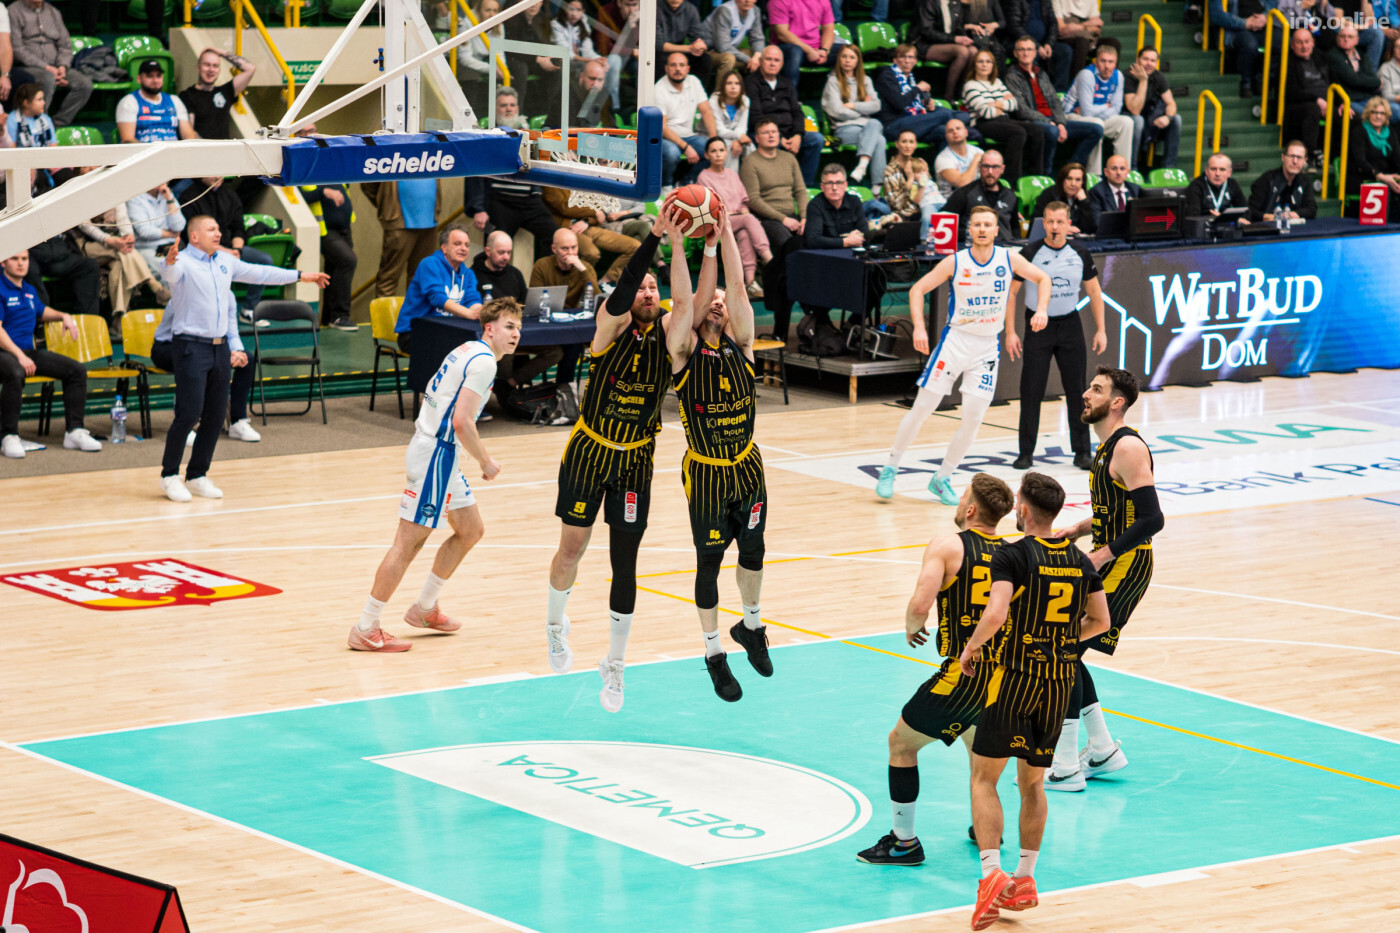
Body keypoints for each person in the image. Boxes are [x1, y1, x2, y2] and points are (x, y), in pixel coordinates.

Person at [958, 471, 1111, 928]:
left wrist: (972, 647)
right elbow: (1101, 621)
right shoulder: (1080, 560)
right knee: (1033, 784)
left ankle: (991, 874)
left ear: (1022, 509)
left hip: (1017, 679)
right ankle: (1024, 878)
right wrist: (1060, 642)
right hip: (1059, 683)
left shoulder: (1013, 554)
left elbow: (996, 612)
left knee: (984, 778)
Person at [543, 217, 676, 714]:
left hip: (636, 458)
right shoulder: (610, 324)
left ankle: (615, 663)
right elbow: (621, 293)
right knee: (572, 549)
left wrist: (698, 244)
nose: (647, 292)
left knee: (626, 563)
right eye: (640, 286)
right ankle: (555, 625)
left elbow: (689, 302)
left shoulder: (669, 333)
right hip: (590, 450)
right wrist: (655, 235)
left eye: (653, 287)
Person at [853, 473, 1015, 867]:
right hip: (1005, 678)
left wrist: (912, 627)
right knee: (979, 757)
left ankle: (903, 842)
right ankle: (986, 828)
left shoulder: (948, 545)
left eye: (962, 497)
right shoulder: (1015, 554)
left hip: (963, 673)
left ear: (971, 510)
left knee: (901, 744)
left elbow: (920, 606)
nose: (958, 503)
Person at [349, 297, 522, 652]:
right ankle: (366, 626)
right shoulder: (484, 362)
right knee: (407, 544)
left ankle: (425, 608)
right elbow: (462, 422)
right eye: (509, 326)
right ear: (489, 328)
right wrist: (485, 461)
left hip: (441, 454)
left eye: (519, 327)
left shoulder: (467, 349)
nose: (516, 333)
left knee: (471, 530)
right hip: (435, 455)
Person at [663, 211, 773, 701]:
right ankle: (713, 653)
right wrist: (686, 245)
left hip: (747, 467)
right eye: (713, 301)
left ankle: (751, 626)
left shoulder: (742, 346)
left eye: (724, 303)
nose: (718, 304)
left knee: (754, 551)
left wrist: (725, 229)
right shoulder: (684, 351)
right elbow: (685, 301)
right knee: (709, 563)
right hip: (706, 472)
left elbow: (739, 287)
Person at [875, 206, 1050, 505]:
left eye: (987, 225)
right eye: (977, 224)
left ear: (996, 230)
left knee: (973, 418)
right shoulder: (955, 261)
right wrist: (919, 328)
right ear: (969, 229)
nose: (982, 229)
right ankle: (890, 467)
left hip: (987, 348)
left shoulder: (1009, 258)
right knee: (922, 408)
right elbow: (917, 290)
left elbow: (1043, 278)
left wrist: (1042, 309)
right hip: (955, 343)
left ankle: (942, 478)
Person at [1044, 367, 1163, 790]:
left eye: (1096, 389)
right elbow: (1118, 511)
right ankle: (1102, 750)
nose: (1085, 393)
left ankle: (1065, 767)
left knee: (1062, 651)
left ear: (1117, 402)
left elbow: (1152, 519)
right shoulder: (1106, 446)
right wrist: (1080, 529)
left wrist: (1100, 553)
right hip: (1111, 561)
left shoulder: (1127, 447)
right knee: (1067, 650)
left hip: (1126, 565)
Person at [156, 216, 328, 503]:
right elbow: (170, 274)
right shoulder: (183, 261)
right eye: (211, 229)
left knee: (214, 415)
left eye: (218, 228)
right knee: (189, 413)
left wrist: (301, 276)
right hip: (190, 346)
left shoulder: (225, 261)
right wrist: (169, 261)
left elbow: (261, 273)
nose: (218, 233)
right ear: (194, 236)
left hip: (220, 347)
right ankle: (169, 475)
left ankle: (197, 475)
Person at [1007, 201, 1105, 471]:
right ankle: (1025, 453)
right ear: (1043, 223)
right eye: (1049, 221)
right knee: (1031, 389)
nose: (1054, 227)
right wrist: (1011, 332)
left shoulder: (1080, 252)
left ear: (1068, 224)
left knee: (1078, 390)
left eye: (1060, 222)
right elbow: (1012, 293)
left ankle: (1082, 452)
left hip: (1070, 325)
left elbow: (1094, 292)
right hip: (1038, 326)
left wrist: (1101, 329)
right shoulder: (1030, 252)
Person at [0, 249, 100, 458]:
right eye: (15, 259)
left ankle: (74, 432)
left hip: (27, 352)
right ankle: (8, 435)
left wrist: (63, 315)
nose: (21, 263)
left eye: (24, 259)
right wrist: (19, 355)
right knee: (16, 372)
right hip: (5, 352)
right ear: (3, 263)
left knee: (76, 370)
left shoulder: (28, 290)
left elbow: (41, 311)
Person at [740, 118, 807, 339]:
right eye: (766, 132)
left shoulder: (789, 158)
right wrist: (782, 218)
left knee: (812, 239)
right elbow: (753, 199)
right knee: (789, 244)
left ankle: (792, 287)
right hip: (766, 219)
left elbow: (801, 191)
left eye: (774, 131)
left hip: (794, 217)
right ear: (757, 138)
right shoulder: (750, 162)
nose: (771, 135)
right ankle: (790, 288)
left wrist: (805, 217)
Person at [1005, 34, 1102, 172]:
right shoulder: (1012, 76)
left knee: (1096, 130)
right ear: (1015, 53)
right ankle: (1046, 173)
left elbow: (1055, 101)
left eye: (1029, 49)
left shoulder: (1041, 74)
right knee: (1052, 131)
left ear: (1035, 53)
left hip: (1053, 121)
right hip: (1033, 121)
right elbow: (1021, 109)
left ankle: (1070, 168)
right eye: (1022, 49)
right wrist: (1049, 122)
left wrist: (1060, 123)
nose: (1026, 53)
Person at [180, 176, 276, 315]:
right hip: (204, 251)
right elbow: (193, 237)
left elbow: (238, 227)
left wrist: (237, 250)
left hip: (232, 247)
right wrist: (226, 252)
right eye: (213, 173)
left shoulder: (230, 194)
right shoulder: (189, 196)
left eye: (221, 173)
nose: (218, 177)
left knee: (264, 260)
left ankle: (249, 309)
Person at [698, 135, 772, 297]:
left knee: (745, 233)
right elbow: (709, 208)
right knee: (749, 219)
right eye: (713, 151)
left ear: (726, 153)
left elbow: (743, 202)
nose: (718, 154)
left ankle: (750, 282)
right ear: (707, 155)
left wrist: (743, 211)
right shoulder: (703, 177)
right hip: (718, 221)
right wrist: (738, 214)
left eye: (721, 150)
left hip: (738, 220)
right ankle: (769, 258)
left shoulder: (732, 174)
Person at [394, 224, 483, 354]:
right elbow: (437, 298)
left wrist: (478, 311)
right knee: (455, 348)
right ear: (444, 247)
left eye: (467, 245)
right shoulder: (429, 264)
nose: (463, 248)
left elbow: (472, 299)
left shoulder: (468, 274)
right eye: (457, 244)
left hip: (448, 330)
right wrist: (468, 313)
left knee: (481, 344)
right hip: (414, 332)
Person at [745, 45, 826, 185]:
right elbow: (755, 117)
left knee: (816, 139)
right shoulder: (751, 82)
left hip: (789, 132)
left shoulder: (786, 83)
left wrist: (798, 136)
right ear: (761, 61)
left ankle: (805, 185)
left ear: (782, 64)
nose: (772, 63)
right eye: (768, 59)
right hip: (763, 133)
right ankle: (775, 186)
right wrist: (779, 138)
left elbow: (797, 112)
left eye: (776, 60)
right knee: (771, 141)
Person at [7, 0, 91, 127]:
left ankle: (58, 123)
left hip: (57, 66)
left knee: (84, 84)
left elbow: (65, 45)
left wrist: (62, 66)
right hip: (28, 67)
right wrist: (46, 67)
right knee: (47, 78)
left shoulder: (54, 12)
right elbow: (17, 49)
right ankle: (39, 123)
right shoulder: (13, 11)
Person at [874, 44, 973, 150]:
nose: (907, 61)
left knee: (948, 126)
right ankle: (965, 129)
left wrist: (927, 104)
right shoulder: (887, 76)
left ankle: (948, 161)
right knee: (946, 116)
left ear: (915, 61)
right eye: (903, 57)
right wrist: (918, 88)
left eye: (910, 57)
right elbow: (899, 103)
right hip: (894, 126)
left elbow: (915, 102)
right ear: (895, 60)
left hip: (917, 123)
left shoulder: (910, 78)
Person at [961, 49, 1036, 184]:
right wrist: (1002, 104)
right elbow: (986, 112)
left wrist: (995, 104)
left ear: (993, 65)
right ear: (974, 65)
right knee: (1018, 132)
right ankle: (1011, 182)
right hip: (982, 123)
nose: (984, 65)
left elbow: (1014, 104)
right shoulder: (970, 85)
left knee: (1037, 131)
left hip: (1003, 119)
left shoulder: (997, 82)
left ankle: (1035, 178)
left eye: (988, 61)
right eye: (980, 61)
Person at [541, 186, 641, 287]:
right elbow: (565, 208)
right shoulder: (551, 185)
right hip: (570, 229)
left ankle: (605, 282)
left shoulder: (583, 184)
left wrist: (587, 221)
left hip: (590, 226)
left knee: (635, 246)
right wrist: (595, 211)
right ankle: (580, 285)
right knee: (592, 253)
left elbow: (599, 215)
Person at [299, 159, 357, 331]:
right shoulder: (304, 170)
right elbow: (300, 198)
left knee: (334, 270)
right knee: (347, 260)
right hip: (324, 231)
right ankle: (340, 315)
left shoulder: (334, 169)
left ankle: (329, 318)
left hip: (344, 229)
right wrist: (324, 192)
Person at [365, 177, 440, 299]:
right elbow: (368, 181)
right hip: (398, 222)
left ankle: (416, 312)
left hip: (430, 220)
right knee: (389, 277)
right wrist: (384, 202)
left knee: (421, 278)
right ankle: (384, 312)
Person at [1063, 43, 1133, 173]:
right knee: (1097, 124)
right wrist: (1106, 106)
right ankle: (1095, 174)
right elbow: (1087, 112)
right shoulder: (1087, 75)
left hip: (1094, 118)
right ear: (1096, 62)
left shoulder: (1118, 76)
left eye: (1111, 62)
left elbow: (1116, 109)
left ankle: (1123, 171)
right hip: (1071, 116)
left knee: (1126, 122)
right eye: (1103, 61)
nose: (1107, 66)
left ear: (1115, 64)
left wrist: (1097, 110)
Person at [822, 45, 885, 186]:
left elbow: (876, 106)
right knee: (879, 138)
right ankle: (877, 187)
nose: (847, 60)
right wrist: (864, 109)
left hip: (867, 128)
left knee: (876, 126)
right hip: (844, 129)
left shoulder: (866, 80)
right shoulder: (833, 81)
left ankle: (862, 167)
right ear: (839, 59)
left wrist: (853, 105)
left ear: (858, 61)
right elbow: (837, 111)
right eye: (844, 56)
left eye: (852, 57)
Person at [656, 51, 717, 185]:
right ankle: (666, 185)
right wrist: (686, 147)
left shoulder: (694, 82)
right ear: (666, 68)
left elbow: (706, 111)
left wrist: (714, 140)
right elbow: (662, 128)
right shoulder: (659, 89)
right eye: (673, 65)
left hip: (688, 135)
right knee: (672, 153)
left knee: (712, 150)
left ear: (687, 69)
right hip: (665, 137)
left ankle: (687, 181)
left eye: (681, 65)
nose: (678, 69)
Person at [179, 47, 257, 140]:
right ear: (198, 67)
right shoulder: (187, 96)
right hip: (201, 148)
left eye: (215, 66)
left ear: (219, 70)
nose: (211, 69)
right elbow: (189, 135)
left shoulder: (225, 92)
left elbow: (250, 68)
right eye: (207, 64)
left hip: (224, 148)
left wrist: (220, 52)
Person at [944, 151, 1021, 242]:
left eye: (995, 167)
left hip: (1005, 246)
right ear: (979, 167)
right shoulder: (964, 193)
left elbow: (1015, 228)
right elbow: (944, 226)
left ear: (1002, 169)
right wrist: (967, 234)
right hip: (974, 246)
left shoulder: (1010, 196)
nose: (990, 172)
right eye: (986, 166)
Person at [1123, 46, 1180, 168]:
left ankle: (1169, 168)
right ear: (1137, 59)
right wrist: (1143, 81)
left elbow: (1171, 103)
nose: (1149, 63)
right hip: (1127, 116)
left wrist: (1168, 118)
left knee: (1176, 119)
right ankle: (1132, 168)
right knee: (1138, 120)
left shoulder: (1158, 76)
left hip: (1149, 117)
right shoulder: (1128, 75)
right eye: (1145, 59)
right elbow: (1134, 110)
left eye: (1152, 60)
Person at [116, 60, 197, 144]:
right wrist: (153, 151)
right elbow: (128, 140)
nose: (155, 80)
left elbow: (189, 135)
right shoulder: (129, 102)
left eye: (158, 76)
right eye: (150, 76)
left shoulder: (174, 100)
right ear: (139, 78)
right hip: (144, 151)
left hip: (172, 150)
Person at [909, 0, 978, 97]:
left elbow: (958, 26)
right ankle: (949, 96)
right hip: (924, 44)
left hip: (947, 43)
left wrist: (964, 39)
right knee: (962, 51)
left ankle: (962, 93)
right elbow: (926, 31)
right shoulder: (928, 3)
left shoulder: (954, 3)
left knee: (973, 51)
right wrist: (954, 39)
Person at [875, 129, 941, 228]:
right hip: (906, 216)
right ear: (897, 144)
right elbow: (896, 205)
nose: (908, 146)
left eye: (911, 142)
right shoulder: (890, 170)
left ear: (915, 144)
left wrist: (926, 175)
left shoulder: (919, 163)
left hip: (926, 208)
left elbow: (930, 190)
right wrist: (910, 179)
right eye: (904, 141)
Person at [1282, 30, 1331, 164]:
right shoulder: (1288, 62)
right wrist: (1316, 100)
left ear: (1313, 43)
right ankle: (1310, 152)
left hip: (1326, 102)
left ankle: (1340, 158)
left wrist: (1341, 103)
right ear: (1292, 45)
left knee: (1348, 114)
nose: (1304, 46)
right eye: (1299, 42)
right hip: (1299, 105)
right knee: (1312, 109)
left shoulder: (1321, 58)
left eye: (1307, 42)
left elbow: (1334, 82)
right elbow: (1292, 92)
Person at [768, 0, 840, 87]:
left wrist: (824, 50)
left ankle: (846, 93)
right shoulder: (779, 1)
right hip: (786, 47)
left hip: (816, 49)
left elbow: (828, 29)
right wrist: (810, 51)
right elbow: (782, 34)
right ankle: (790, 94)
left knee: (847, 51)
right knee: (794, 51)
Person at [1003, 0, 1072, 91]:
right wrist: (1036, 46)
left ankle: (1059, 91)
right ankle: (1034, 91)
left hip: (1043, 44)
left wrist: (1048, 44)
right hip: (1019, 43)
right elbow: (1014, 27)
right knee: (1030, 53)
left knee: (1065, 51)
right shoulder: (1015, 1)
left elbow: (1053, 24)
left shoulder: (1045, 1)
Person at [126, 183, 187, 285]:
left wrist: (169, 200)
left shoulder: (167, 195)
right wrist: (170, 234)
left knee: (192, 268)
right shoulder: (134, 199)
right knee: (171, 273)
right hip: (149, 248)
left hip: (173, 246)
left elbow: (179, 226)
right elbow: (144, 231)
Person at [1348, 95, 1400, 213]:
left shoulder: (1391, 132)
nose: (1378, 116)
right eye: (1374, 112)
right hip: (1362, 177)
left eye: (1382, 113)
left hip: (1386, 177)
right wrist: (1381, 177)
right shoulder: (1359, 131)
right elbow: (1360, 162)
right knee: (1386, 189)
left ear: (1386, 116)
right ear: (1368, 113)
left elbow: (1398, 158)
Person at [1209, 0, 1269, 98]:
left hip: (1262, 25)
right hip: (1234, 29)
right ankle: (1245, 84)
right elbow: (1217, 16)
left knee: (1279, 43)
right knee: (1250, 45)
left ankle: (1262, 79)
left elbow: (1273, 4)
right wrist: (1245, 23)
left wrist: (1265, 17)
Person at [1247, 140, 1319, 222]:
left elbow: (1312, 209)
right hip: (1268, 227)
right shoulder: (1266, 180)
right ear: (1283, 157)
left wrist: (1295, 214)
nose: (1295, 161)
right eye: (1291, 156)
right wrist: (1273, 217)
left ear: (1305, 161)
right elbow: (1251, 211)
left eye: (1299, 157)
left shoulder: (1304, 181)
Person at [530, 227, 600, 309]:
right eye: (564, 248)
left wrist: (582, 269)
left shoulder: (585, 267)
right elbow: (534, 300)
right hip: (548, 312)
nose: (570, 253)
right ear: (554, 249)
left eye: (573, 247)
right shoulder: (542, 265)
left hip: (574, 312)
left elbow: (597, 299)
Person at [1326, 21, 1381, 117]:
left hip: (1367, 98)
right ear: (1337, 38)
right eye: (1342, 36)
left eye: (1350, 37)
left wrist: (1372, 81)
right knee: (1374, 116)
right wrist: (1378, 81)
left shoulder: (1362, 56)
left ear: (1357, 40)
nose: (1346, 39)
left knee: (1390, 112)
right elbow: (1353, 79)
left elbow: (1371, 78)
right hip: (1349, 100)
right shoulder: (1333, 55)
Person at [544, 56, 612, 130]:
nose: (595, 84)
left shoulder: (603, 93)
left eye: (600, 80)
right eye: (591, 79)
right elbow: (568, 130)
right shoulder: (567, 93)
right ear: (582, 76)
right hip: (556, 131)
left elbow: (611, 127)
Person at [596, 0, 640, 112]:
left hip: (630, 59)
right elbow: (604, 47)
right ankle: (615, 107)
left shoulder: (639, 14)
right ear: (619, 3)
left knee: (643, 65)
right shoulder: (605, 12)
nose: (631, 9)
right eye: (628, 5)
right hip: (608, 57)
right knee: (615, 61)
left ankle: (639, 107)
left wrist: (633, 26)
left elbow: (640, 45)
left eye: (634, 5)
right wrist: (631, 51)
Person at [706, 0, 765, 80]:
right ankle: (721, 88)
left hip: (730, 51)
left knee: (761, 57)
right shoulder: (725, 10)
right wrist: (748, 59)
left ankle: (750, 87)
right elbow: (722, 47)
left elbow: (757, 38)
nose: (747, 1)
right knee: (729, 59)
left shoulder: (755, 11)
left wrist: (757, 55)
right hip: (707, 52)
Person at [1033, 161, 1096, 232]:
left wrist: (1084, 203)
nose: (1073, 184)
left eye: (1078, 180)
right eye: (1069, 178)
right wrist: (1063, 229)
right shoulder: (1049, 194)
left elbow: (1091, 229)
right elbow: (1037, 225)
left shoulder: (1084, 197)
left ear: (1082, 182)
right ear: (1062, 180)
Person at [657, 0, 710, 85]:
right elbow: (659, 45)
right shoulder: (655, 8)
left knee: (704, 59)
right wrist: (689, 48)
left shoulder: (690, 9)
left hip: (682, 49)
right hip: (660, 52)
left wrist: (700, 45)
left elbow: (699, 36)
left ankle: (698, 90)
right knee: (661, 60)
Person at [1184, 152, 1250, 218]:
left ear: (1229, 172)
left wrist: (1241, 219)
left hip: (1225, 223)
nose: (1217, 174)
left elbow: (1246, 211)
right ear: (1206, 171)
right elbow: (1193, 217)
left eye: (1222, 169)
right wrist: (1221, 218)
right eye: (1213, 169)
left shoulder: (1232, 183)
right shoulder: (1196, 186)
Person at [709, 69, 752, 170]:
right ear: (723, 86)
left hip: (734, 137)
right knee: (731, 149)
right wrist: (738, 137)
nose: (733, 87)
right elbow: (720, 131)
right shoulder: (714, 101)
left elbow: (742, 127)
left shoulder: (745, 100)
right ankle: (731, 179)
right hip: (713, 137)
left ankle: (748, 178)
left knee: (750, 147)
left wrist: (738, 140)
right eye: (729, 83)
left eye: (737, 83)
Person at [1052, 0, 1103, 81]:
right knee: (1082, 43)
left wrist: (1079, 26)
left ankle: (1106, 82)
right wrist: (1089, 25)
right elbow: (1061, 30)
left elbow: (1097, 29)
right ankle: (1077, 84)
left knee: (1113, 42)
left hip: (1087, 37)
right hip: (1066, 38)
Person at [934, 117, 984, 199]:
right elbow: (963, 184)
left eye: (958, 128)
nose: (955, 132)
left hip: (977, 197)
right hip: (952, 201)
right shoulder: (942, 158)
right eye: (950, 131)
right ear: (946, 137)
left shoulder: (978, 151)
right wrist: (975, 160)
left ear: (966, 132)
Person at [4, 82, 51, 147]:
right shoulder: (12, 119)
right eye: (39, 99)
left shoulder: (45, 118)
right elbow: (11, 147)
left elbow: (53, 145)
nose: (43, 102)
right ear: (26, 103)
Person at [1378, 36, 1400, 124]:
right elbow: (1386, 96)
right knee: (1396, 110)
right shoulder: (1385, 68)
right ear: (1393, 49)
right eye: (1398, 47)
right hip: (1391, 104)